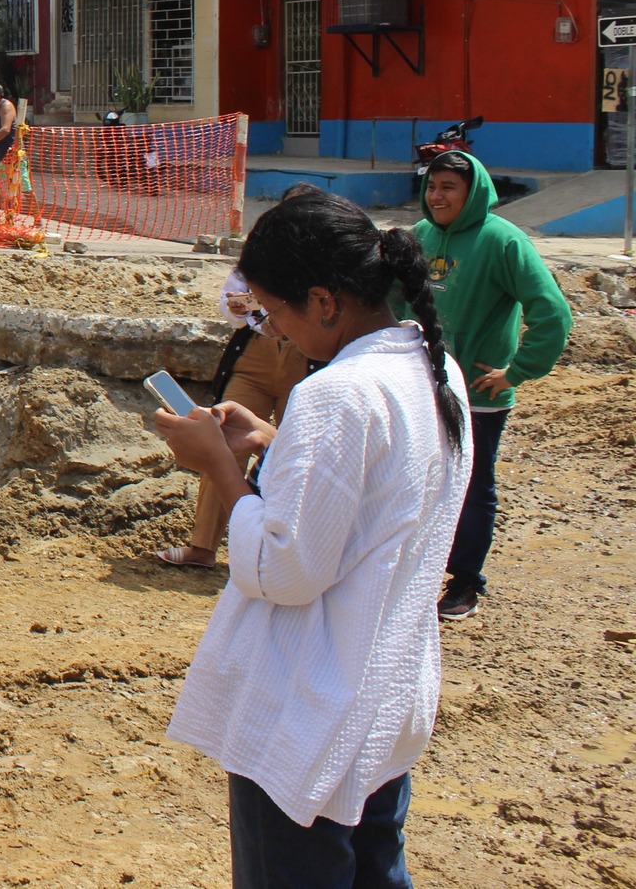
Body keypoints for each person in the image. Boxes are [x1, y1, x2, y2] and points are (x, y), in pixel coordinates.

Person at [156, 189, 470, 888]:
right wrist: (277, 441)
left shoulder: (336, 394)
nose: (272, 332)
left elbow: (283, 568)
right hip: (382, 691)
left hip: (308, 705)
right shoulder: (432, 366)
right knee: (376, 866)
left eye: (273, 312)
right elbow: (382, 492)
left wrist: (219, 467)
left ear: (324, 301)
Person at [414, 150, 572, 621]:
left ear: (474, 192)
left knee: (471, 484)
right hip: (422, 385)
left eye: (449, 187)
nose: (437, 196)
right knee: (418, 481)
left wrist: (516, 371)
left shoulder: (503, 241)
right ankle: (416, 575)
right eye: (432, 186)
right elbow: (391, 300)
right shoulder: (420, 236)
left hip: (478, 395)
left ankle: (465, 582)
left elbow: (553, 313)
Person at [155, 269, 311, 570]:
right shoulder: (257, 253)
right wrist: (239, 307)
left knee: (297, 451)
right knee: (223, 437)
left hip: (304, 353)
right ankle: (203, 546)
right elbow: (229, 306)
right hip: (256, 349)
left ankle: (291, 549)